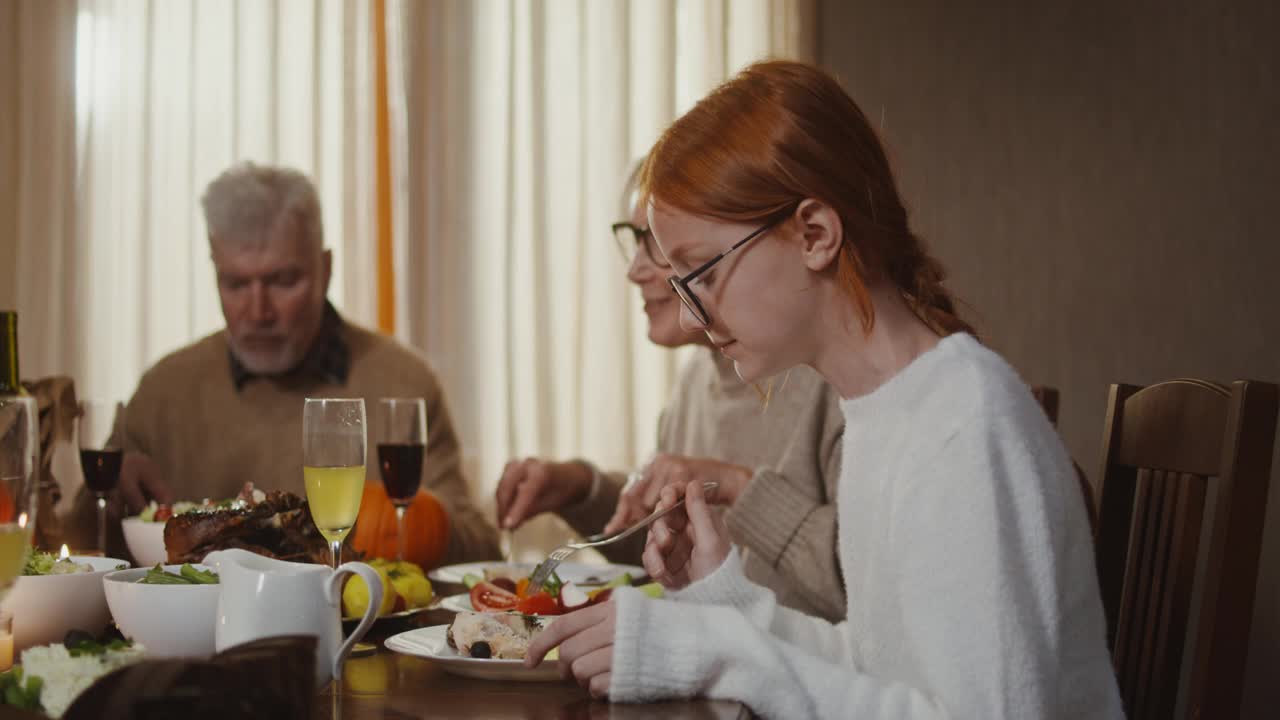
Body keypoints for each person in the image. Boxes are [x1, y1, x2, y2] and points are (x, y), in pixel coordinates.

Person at [527, 61, 1122, 718]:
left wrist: (712, 649)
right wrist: (728, 602)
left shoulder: (962, 422)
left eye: (701, 273)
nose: (692, 314)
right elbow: (874, 663)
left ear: (814, 234)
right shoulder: (886, 411)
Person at [83, 162, 499, 565]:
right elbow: (77, 549)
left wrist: (395, 525)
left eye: (283, 281)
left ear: (327, 269)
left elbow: (480, 547)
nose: (258, 311)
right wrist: (103, 495)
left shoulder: (403, 382)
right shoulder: (165, 390)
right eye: (236, 284)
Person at [494, 165, 846, 620]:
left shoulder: (834, 379)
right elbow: (668, 556)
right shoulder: (697, 376)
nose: (634, 271)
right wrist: (581, 490)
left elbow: (865, 590)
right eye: (635, 240)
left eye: (656, 246)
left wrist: (739, 487)